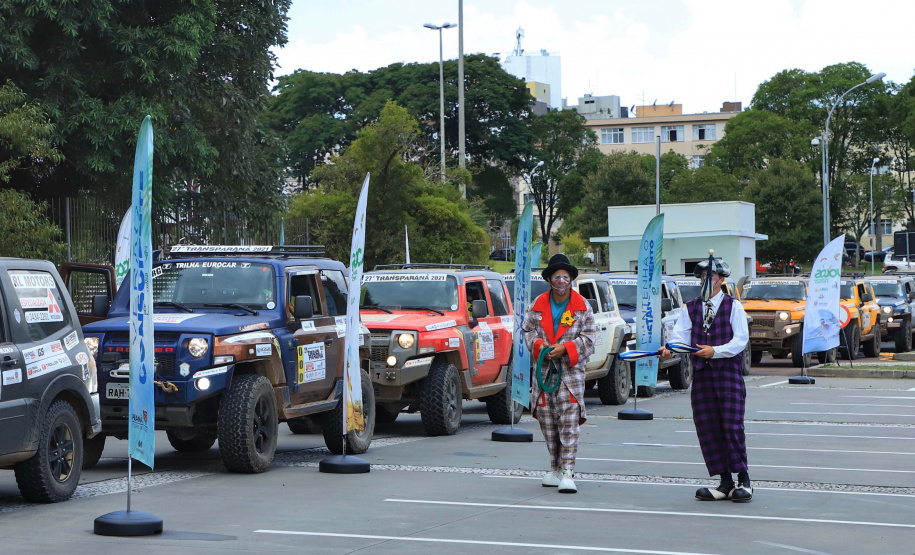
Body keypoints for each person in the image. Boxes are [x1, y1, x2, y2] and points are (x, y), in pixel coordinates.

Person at [660, 257, 752, 502]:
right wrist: (670, 347)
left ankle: (744, 480)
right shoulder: (690, 307)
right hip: (702, 376)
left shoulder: (734, 306)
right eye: (701, 277)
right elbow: (680, 336)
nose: (704, 281)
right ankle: (724, 482)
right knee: (708, 428)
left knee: (731, 426)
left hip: (728, 374)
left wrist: (715, 351)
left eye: (709, 277)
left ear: (720, 280)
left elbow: (740, 341)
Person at [522, 253, 598, 493]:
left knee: (568, 422)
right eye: (557, 277)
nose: (562, 281)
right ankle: (555, 468)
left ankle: (568, 470)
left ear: (571, 280)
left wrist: (565, 348)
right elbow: (528, 331)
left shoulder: (582, 306)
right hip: (544, 372)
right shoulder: (537, 305)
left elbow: (590, 338)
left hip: (570, 373)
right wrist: (540, 346)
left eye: (566, 277)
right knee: (547, 421)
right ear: (549, 280)